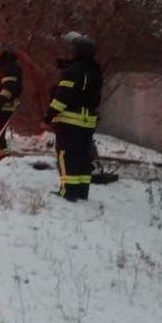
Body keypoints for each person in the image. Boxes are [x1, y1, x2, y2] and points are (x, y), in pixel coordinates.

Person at [43, 32, 103, 201]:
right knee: (83, 156)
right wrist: (68, 66)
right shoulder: (95, 70)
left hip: (70, 121)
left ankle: (68, 192)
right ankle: (81, 192)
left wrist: (47, 118)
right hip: (88, 121)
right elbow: (83, 84)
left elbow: (62, 98)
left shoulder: (72, 72)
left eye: (73, 50)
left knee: (67, 155)